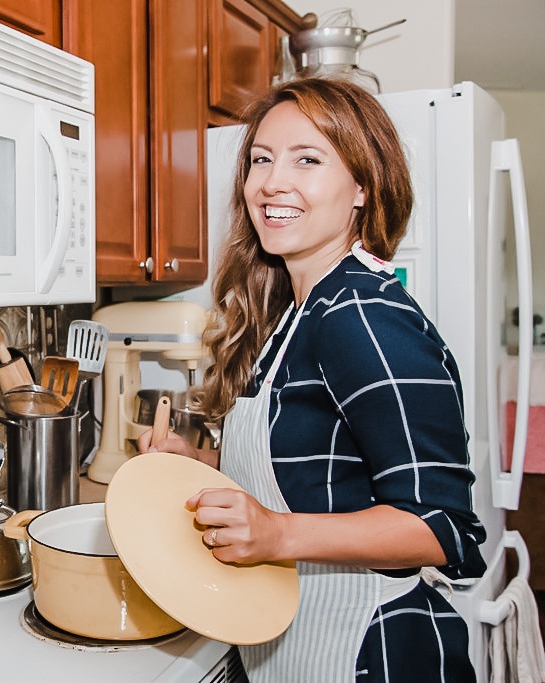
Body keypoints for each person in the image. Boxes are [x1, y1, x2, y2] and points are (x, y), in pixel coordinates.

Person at [137, 77, 487, 682]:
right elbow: (315, 468)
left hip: (372, 651)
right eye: (261, 160)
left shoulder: (361, 316)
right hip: (292, 640)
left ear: (361, 187)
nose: (273, 182)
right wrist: (194, 463)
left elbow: (443, 528)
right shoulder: (296, 311)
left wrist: (276, 534)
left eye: (308, 159)